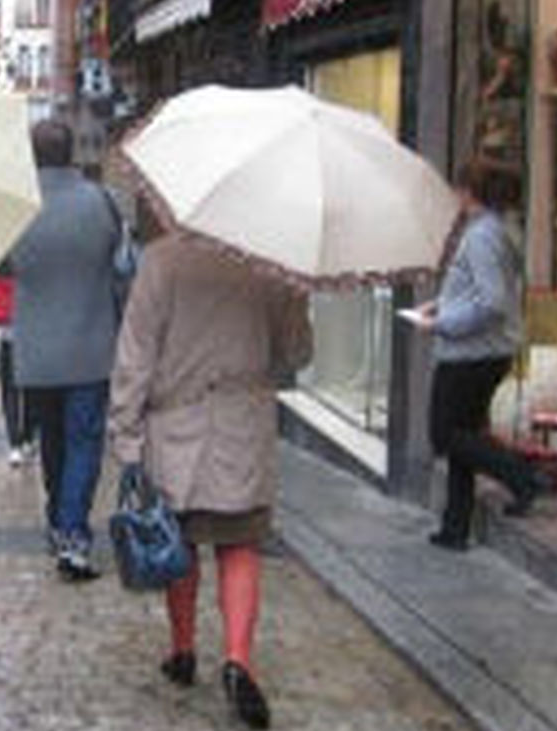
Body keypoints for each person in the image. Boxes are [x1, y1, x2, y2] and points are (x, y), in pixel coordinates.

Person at [109, 224, 312, 729]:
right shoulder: (271, 262)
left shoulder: (160, 261)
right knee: (239, 546)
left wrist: (125, 433)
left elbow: (135, 355)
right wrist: (294, 301)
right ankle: (239, 661)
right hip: (242, 428)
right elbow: (297, 355)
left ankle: (182, 650)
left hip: (175, 429)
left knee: (177, 545)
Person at [410, 159, 548, 552]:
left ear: (470, 192)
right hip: (481, 350)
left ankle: (522, 476)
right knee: (464, 435)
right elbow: (478, 290)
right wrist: (439, 305)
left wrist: (442, 323)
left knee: (445, 434)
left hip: (471, 353)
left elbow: (491, 301)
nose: (455, 194)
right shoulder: (495, 230)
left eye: (459, 188)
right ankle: (455, 526)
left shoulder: (483, 235)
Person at [8, 120, 123, 581]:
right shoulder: (100, 202)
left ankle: (60, 522)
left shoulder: (15, 208)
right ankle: (72, 535)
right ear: (71, 152)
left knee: (53, 442)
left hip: (36, 352)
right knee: (83, 442)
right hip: (90, 347)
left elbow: (3, 264)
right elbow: (120, 261)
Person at [0, 263, 34, 467]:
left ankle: (15, 445)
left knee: (10, 390)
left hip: (8, 333)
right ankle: (27, 437)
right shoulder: (31, 249)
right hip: (31, 331)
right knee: (30, 389)